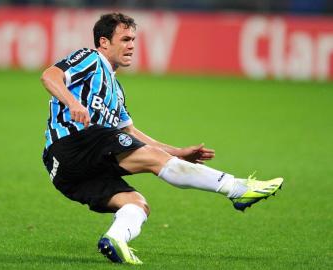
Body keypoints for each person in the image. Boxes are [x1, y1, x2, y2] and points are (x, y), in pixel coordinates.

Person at [40, 12, 283, 265]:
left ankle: (115, 239)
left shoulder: (117, 92)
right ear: (103, 42)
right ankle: (236, 188)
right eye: (124, 39)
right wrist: (72, 102)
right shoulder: (91, 59)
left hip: (66, 174)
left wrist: (178, 152)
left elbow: (130, 133)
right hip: (73, 142)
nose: (131, 45)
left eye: (133, 39)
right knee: (155, 159)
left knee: (137, 204)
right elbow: (50, 75)